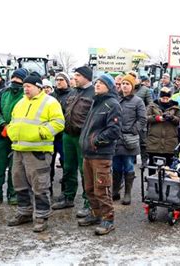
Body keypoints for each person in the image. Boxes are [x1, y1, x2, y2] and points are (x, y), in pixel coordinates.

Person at [5, 74, 64, 232]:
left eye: (29, 86)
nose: (25, 89)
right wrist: (11, 131)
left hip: (38, 151)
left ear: (38, 87)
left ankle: (41, 216)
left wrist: (41, 133)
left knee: (40, 185)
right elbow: (13, 121)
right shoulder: (20, 103)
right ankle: (24, 212)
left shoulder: (50, 102)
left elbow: (59, 123)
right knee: (19, 183)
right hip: (18, 150)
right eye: (24, 86)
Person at [78, 74, 121, 235]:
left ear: (109, 87)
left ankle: (108, 219)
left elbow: (114, 130)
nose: (97, 85)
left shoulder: (112, 104)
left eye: (101, 83)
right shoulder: (96, 103)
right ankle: (96, 214)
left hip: (101, 154)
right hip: (88, 154)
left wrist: (95, 141)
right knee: (89, 188)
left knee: (101, 189)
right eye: (96, 83)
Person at [52, 66, 94, 219]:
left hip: (83, 137)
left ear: (86, 77)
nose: (74, 78)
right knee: (68, 167)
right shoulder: (73, 92)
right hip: (67, 135)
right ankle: (68, 197)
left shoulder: (94, 93)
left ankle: (88, 203)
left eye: (77, 75)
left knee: (85, 172)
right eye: (74, 75)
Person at [0, 68, 28, 206]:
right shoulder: (3, 92)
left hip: (17, 137)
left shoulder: (26, 95)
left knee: (16, 168)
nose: (15, 81)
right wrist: (2, 124)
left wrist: (13, 127)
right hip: (1, 136)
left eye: (18, 79)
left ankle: (13, 194)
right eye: (13, 78)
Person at [112, 74, 146, 205]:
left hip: (129, 139)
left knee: (128, 165)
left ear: (132, 86)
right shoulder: (115, 99)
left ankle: (127, 193)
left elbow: (142, 119)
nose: (124, 86)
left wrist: (133, 130)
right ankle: (115, 191)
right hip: (115, 138)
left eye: (127, 84)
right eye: (123, 83)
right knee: (115, 167)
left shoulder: (138, 101)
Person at [146, 87, 180, 175]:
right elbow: (146, 118)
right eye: (163, 98)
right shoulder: (152, 105)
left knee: (168, 166)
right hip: (154, 140)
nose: (165, 100)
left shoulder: (176, 107)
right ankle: (152, 183)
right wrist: (157, 118)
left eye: (167, 98)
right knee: (152, 164)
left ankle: (166, 184)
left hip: (169, 141)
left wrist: (172, 118)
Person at [49, 72, 71, 195]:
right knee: (48, 164)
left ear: (67, 81)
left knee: (66, 163)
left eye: (61, 79)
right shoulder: (50, 97)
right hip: (51, 136)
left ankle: (65, 191)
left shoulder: (72, 95)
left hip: (64, 135)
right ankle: (48, 188)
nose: (58, 82)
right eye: (57, 80)